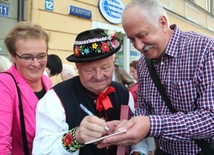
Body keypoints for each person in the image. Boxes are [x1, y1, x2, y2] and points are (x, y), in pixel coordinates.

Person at [97, 0, 214, 155]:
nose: (138, 46)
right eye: (131, 39)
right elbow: (144, 108)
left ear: (163, 23)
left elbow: (211, 119)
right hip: (162, 151)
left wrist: (152, 125)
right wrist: (125, 126)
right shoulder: (144, 64)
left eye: (142, 35)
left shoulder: (205, 49)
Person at [32, 29, 148, 155]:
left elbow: (138, 142)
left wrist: (137, 152)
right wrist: (75, 137)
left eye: (105, 68)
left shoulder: (124, 93)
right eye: (90, 70)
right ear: (78, 67)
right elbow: (42, 152)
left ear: (113, 62)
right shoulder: (55, 98)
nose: (99, 76)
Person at [0, 21, 52, 155]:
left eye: (41, 56)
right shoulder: (4, 84)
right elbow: (1, 144)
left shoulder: (47, 82)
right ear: (13, 56)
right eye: (27, 57)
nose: (36, 63)